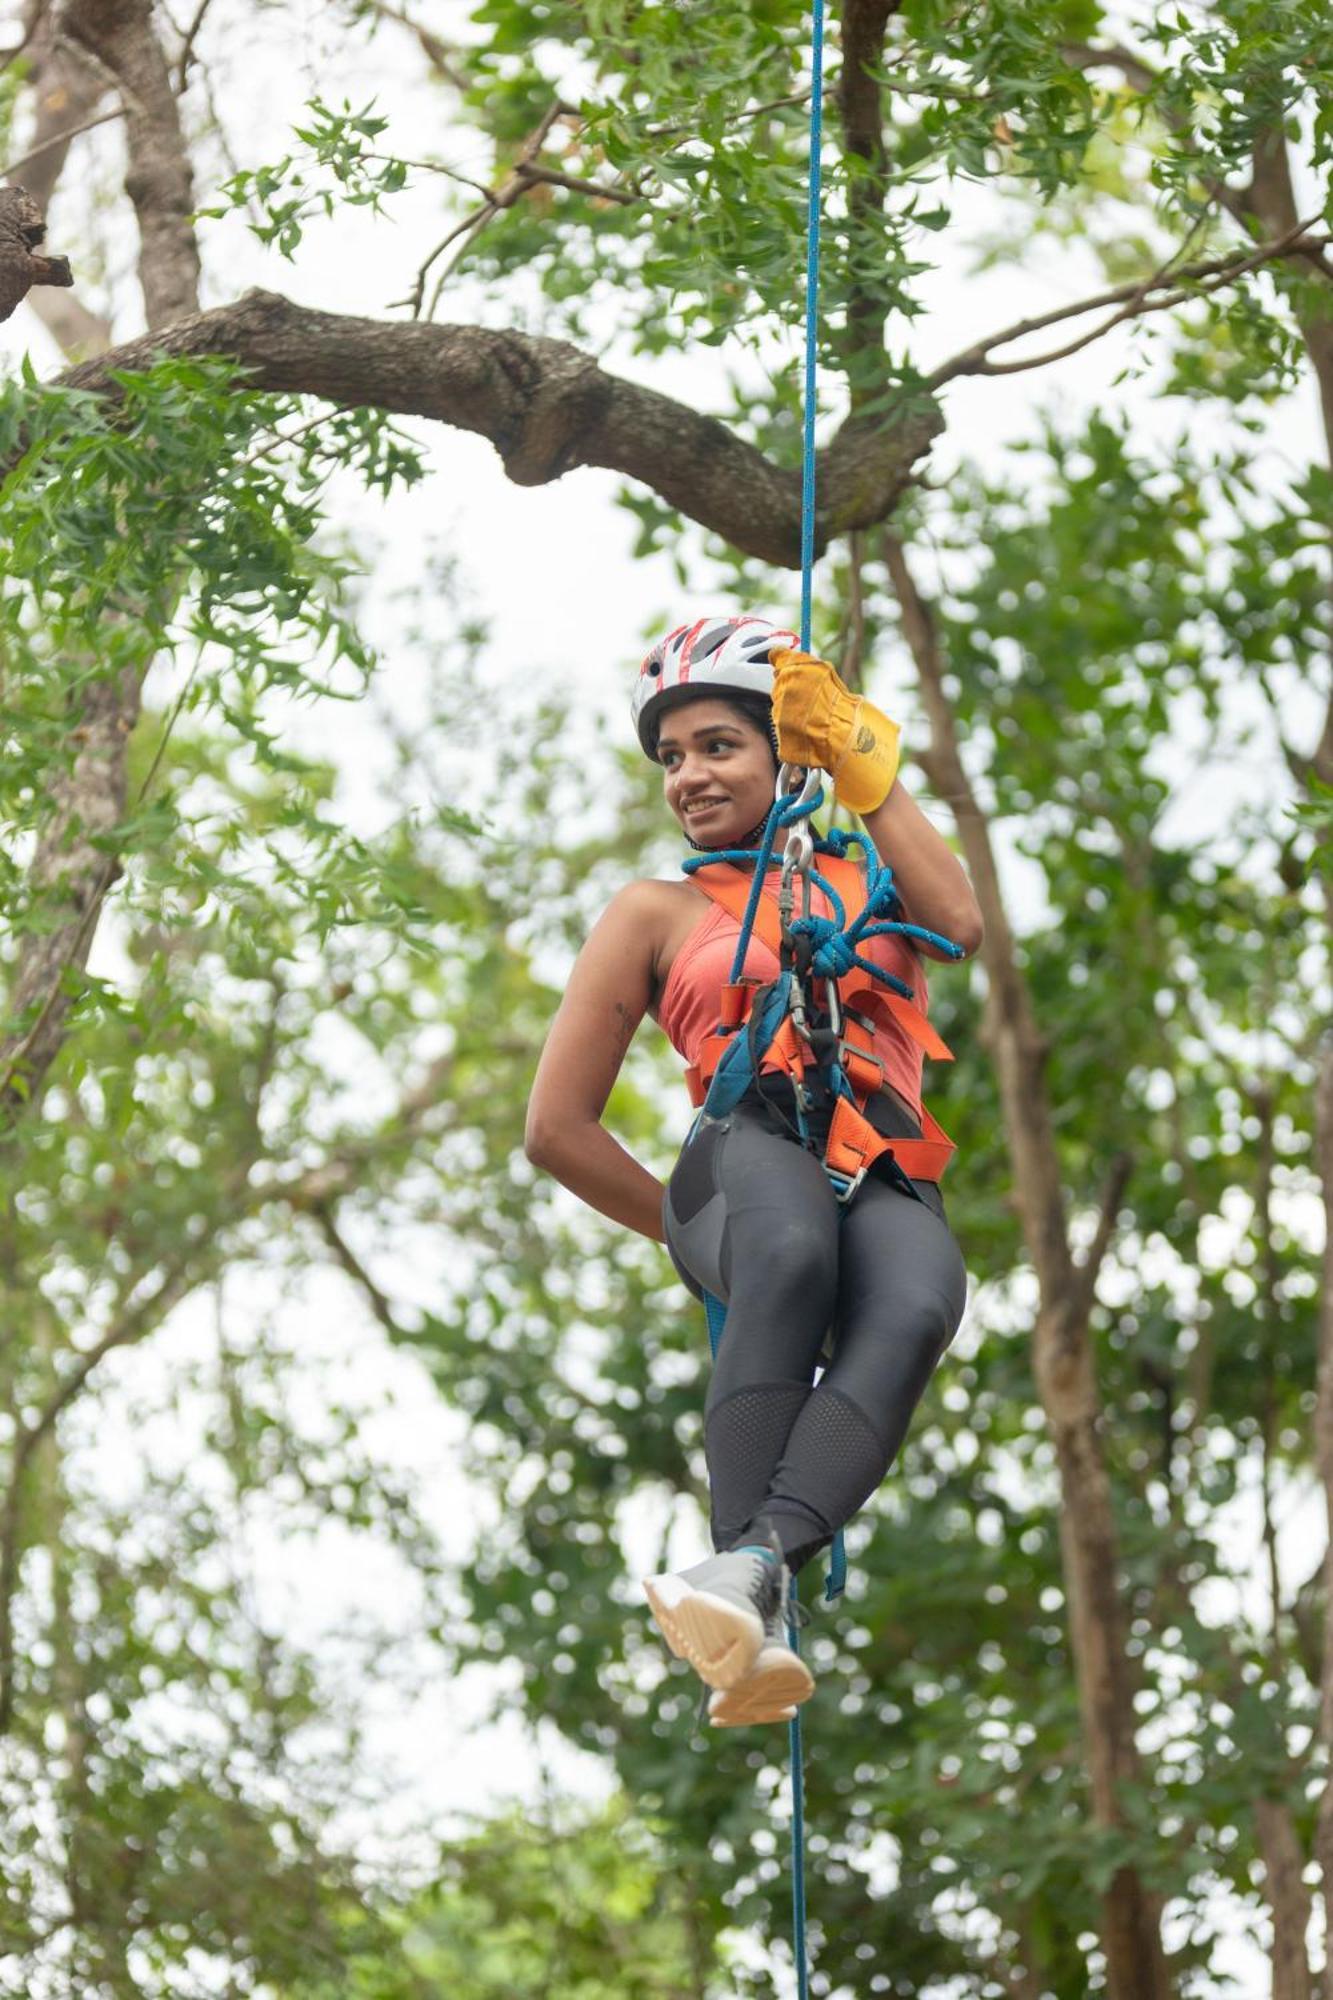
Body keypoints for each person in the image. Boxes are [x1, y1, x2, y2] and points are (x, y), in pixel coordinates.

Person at [525, 615, 983, 1726]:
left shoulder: (865, 882)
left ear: (787, 754)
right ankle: (738, 1569)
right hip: (748, 1152)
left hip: (874, 1165)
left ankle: (752, 1569)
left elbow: (960, 918)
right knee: (782, 1249)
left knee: (924, 1296)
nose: (688, 774)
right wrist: (698, 1240)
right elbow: (555, 1127)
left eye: (718, 744)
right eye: (672, 756)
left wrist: (861, 750)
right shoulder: (653, 910)